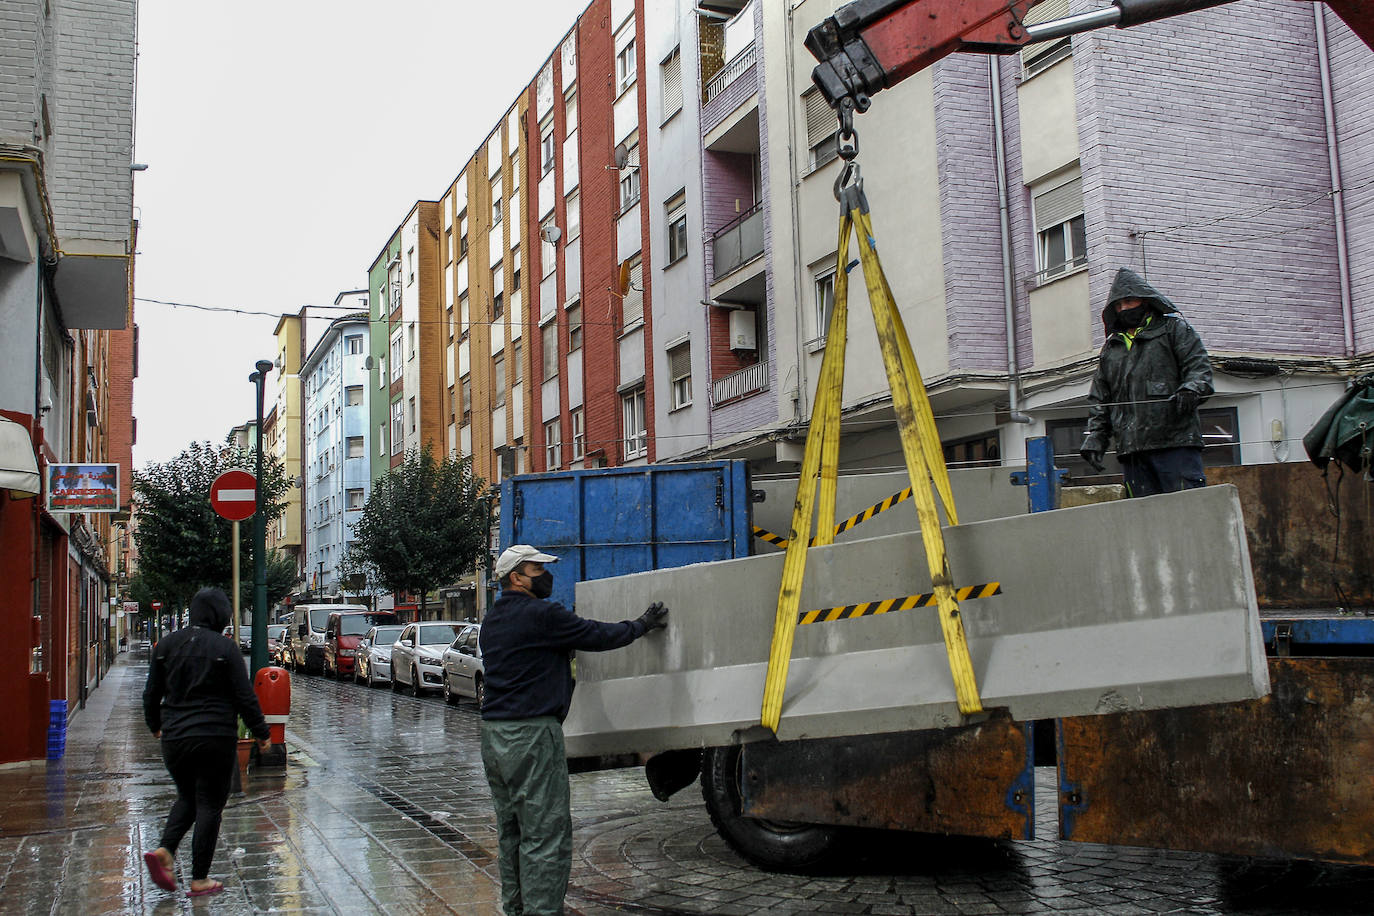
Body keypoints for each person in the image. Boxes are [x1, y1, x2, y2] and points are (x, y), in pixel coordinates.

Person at [479, 544, 669, 916]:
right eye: (537, 570)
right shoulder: (541, 615)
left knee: (512, 832)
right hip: (532, 736)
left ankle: (515, 909)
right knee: (545, 834)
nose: (545, 576)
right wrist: (641, 625)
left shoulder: (493, 620)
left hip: (494, 736)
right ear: (516, 577)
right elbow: (597, 635)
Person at [141, 587, 270, 898]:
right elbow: (244, 696)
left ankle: (166, 850)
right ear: (221, 616)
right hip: (214, 737)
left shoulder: (166, 646)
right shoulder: (225, 649)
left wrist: (155, 726)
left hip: (176, 739)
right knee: (210, 803)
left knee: (187, 797)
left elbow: (151, 694)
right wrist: (261, 733)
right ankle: (199, 878)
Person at [1080, 267, 1214, 496]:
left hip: (1175, 443)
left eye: (1129, 301)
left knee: (1187, 512)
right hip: (1133, 451)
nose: (1124, 308)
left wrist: (1191, 390)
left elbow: (1199, 369)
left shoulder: (1174, 330)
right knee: (1144, 521)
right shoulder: (1112, 348)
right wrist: (1096, 436)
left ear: (1145, 300)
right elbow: (1101, 399)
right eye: (1118, 305)